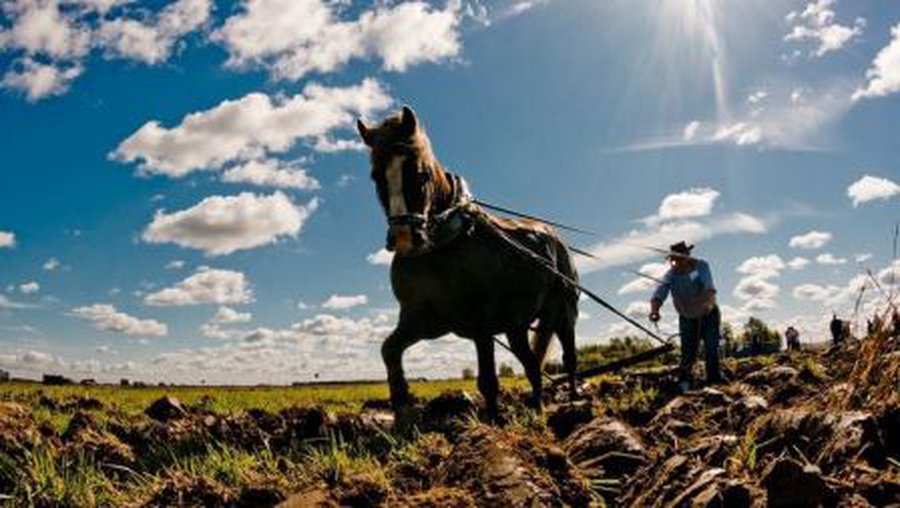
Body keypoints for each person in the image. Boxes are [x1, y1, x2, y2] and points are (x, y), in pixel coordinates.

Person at [649, 241, 722, 390]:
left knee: (711, 349)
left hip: (709, 315)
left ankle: (714, 381)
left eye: (681, 259)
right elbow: (659, 293)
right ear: (671, 260)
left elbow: (709, 287)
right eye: (674, 260)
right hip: (687, 317)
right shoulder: (670, 276)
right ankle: (685, 383)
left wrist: (708, 303)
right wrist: (655, 310)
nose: (678, 263)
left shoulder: (701, 266)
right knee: (687, 353)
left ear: (688, 256)